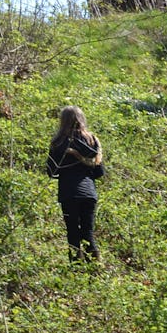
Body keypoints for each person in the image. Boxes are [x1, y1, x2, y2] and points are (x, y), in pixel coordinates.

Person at [46, 105, 105, 262]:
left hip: (68, 193)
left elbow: (51, 171)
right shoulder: (93, 140)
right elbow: (100, 172)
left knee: (72, 233)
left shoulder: (58, 142)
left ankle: (75, 270)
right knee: (88, 232)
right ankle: (95, 268)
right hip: (89, 193)